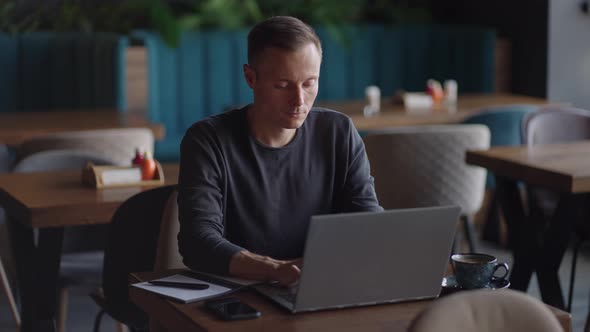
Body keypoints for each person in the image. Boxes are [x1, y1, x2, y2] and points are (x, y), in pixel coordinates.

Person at [178, 16, 382, 287]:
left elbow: (367, 220)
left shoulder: (339, 132)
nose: (299, 101)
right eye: (283, 85)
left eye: (309, 83)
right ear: (251, 77)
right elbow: (198, 242)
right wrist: (275, 269)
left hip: (322, 287)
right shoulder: (208, 140)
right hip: (239, 293)